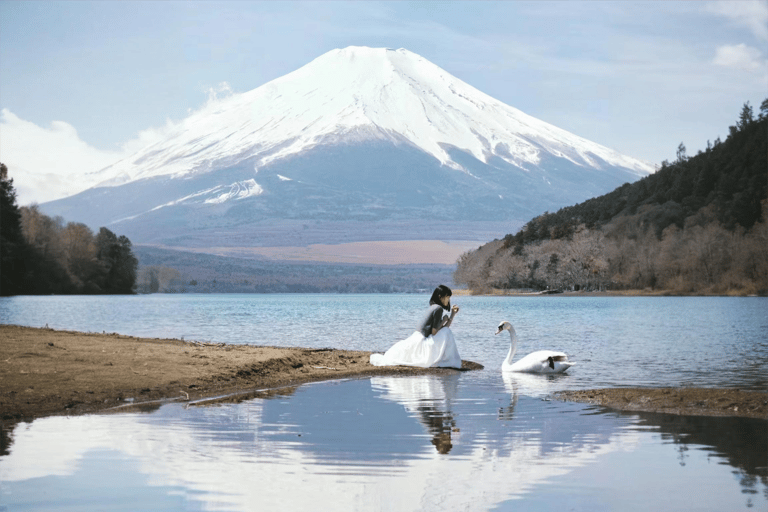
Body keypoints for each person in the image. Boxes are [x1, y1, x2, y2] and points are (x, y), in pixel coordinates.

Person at [370, 285, 462, 368]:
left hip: (418, 337)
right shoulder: (438, 308)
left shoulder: (434, 307)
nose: (448, 300)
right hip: (422, 339)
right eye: (447, 297)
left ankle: (446, 358)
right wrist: (443, 321)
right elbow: (435, 332)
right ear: (440, 297)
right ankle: (448, 359)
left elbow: (440, 329)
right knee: (447, 332)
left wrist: (452, 315)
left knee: (446, 331)